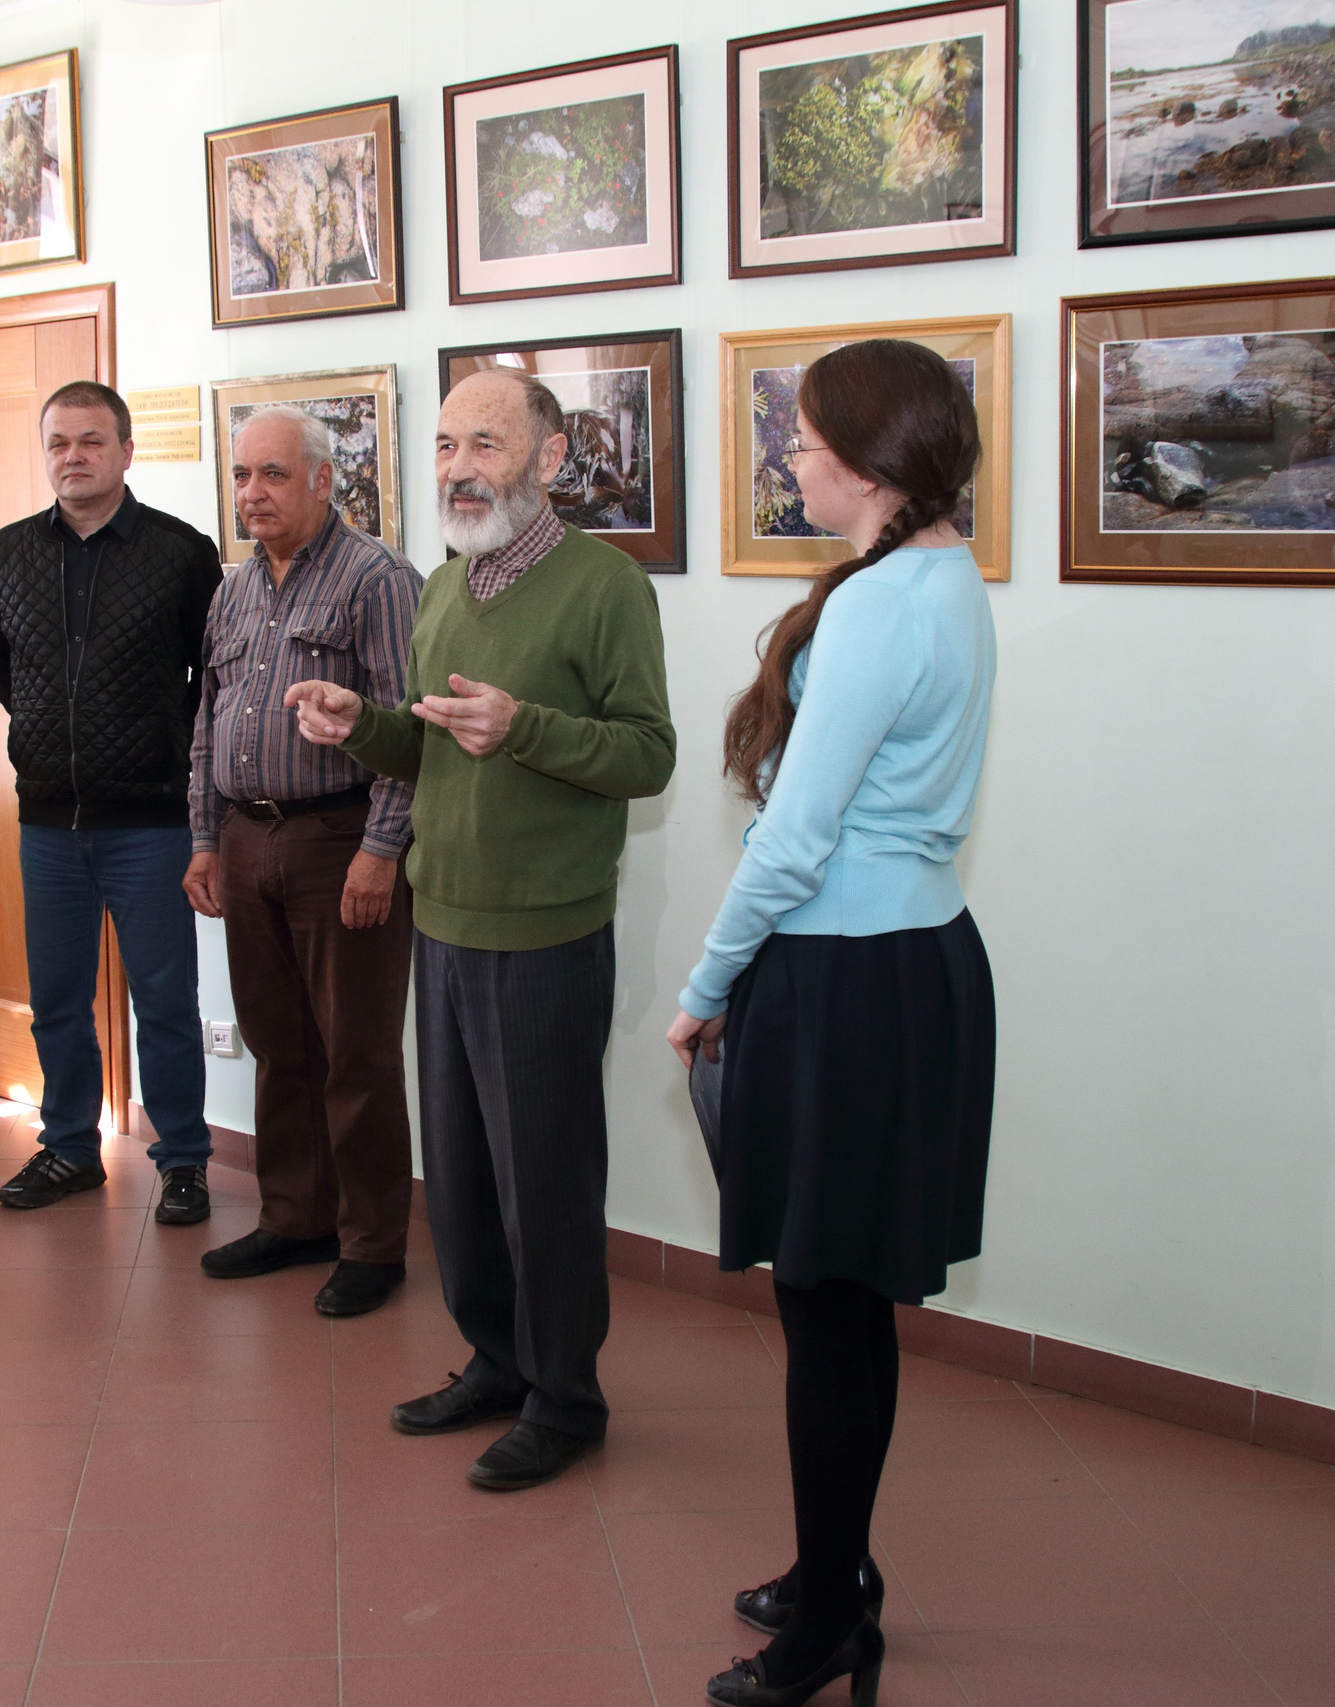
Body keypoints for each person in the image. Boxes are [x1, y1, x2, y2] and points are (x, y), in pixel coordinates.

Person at [663, 340, 998, 1707]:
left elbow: (795, 837)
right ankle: (834, 1572)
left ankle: (823, 1627)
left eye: (801, 442)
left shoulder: (878, 604)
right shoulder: (945, 576)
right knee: (847, 1309)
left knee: (829, 1308)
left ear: (867, 460)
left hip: (843, 981)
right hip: (912, 965)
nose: (786, 461)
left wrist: (701, 987)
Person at [285, 368, 675, 1491]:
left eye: (486, 445)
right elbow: (429, 749)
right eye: (447, 443)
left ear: (549, 462)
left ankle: (565, 1399)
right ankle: (496, 1362)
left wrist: (529, 727)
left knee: (543, 1181)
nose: (458, 467)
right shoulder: (447, 587)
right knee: (457, 1178)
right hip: (444, 920)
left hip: (545, 934)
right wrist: (364, 725)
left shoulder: (604, 588)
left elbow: (647, 756)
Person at [184, 406, 422, 1316]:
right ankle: (294, 1217)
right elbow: (208, 724)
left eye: (273, 475)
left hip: (340, 842)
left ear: (325, 480)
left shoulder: (377, 578)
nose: (253, 494)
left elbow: (408, 727)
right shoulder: (231, 590)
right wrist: (205, 837)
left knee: (355, 1053)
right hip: (248, 839)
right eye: (242, 476)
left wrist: (381, 848)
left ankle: (371, 1242)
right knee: (278, 1045)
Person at [0, 381, 223, 1223]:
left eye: (91, 441)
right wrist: (57, 737)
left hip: (150, 820)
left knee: (164, 1002)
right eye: (58, 443)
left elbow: (210, 681)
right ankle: (70, 1147)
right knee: (56, 998)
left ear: (125, 450)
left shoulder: (182, 552)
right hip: (47, 820)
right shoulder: (7, 551)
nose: (73, 457)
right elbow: (4, 670)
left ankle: (184, 1158)